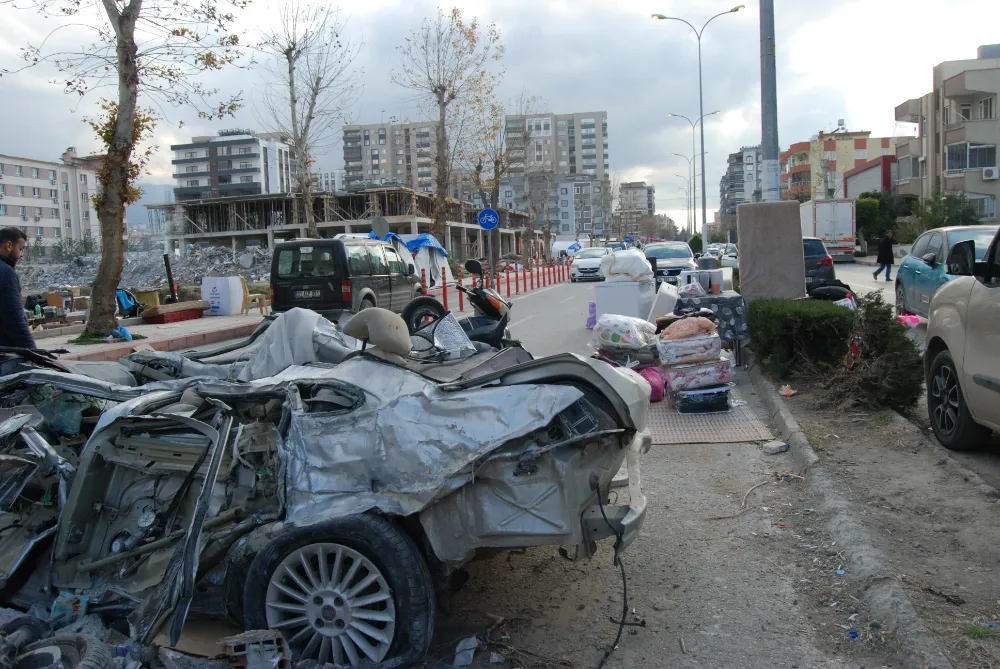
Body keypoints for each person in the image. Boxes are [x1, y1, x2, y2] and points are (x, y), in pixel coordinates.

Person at [0, 227, 36, 349]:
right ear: (8, 246)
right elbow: (14, 317)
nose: (21, 255)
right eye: (20, 249)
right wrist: (34, 353)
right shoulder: (6, 273)